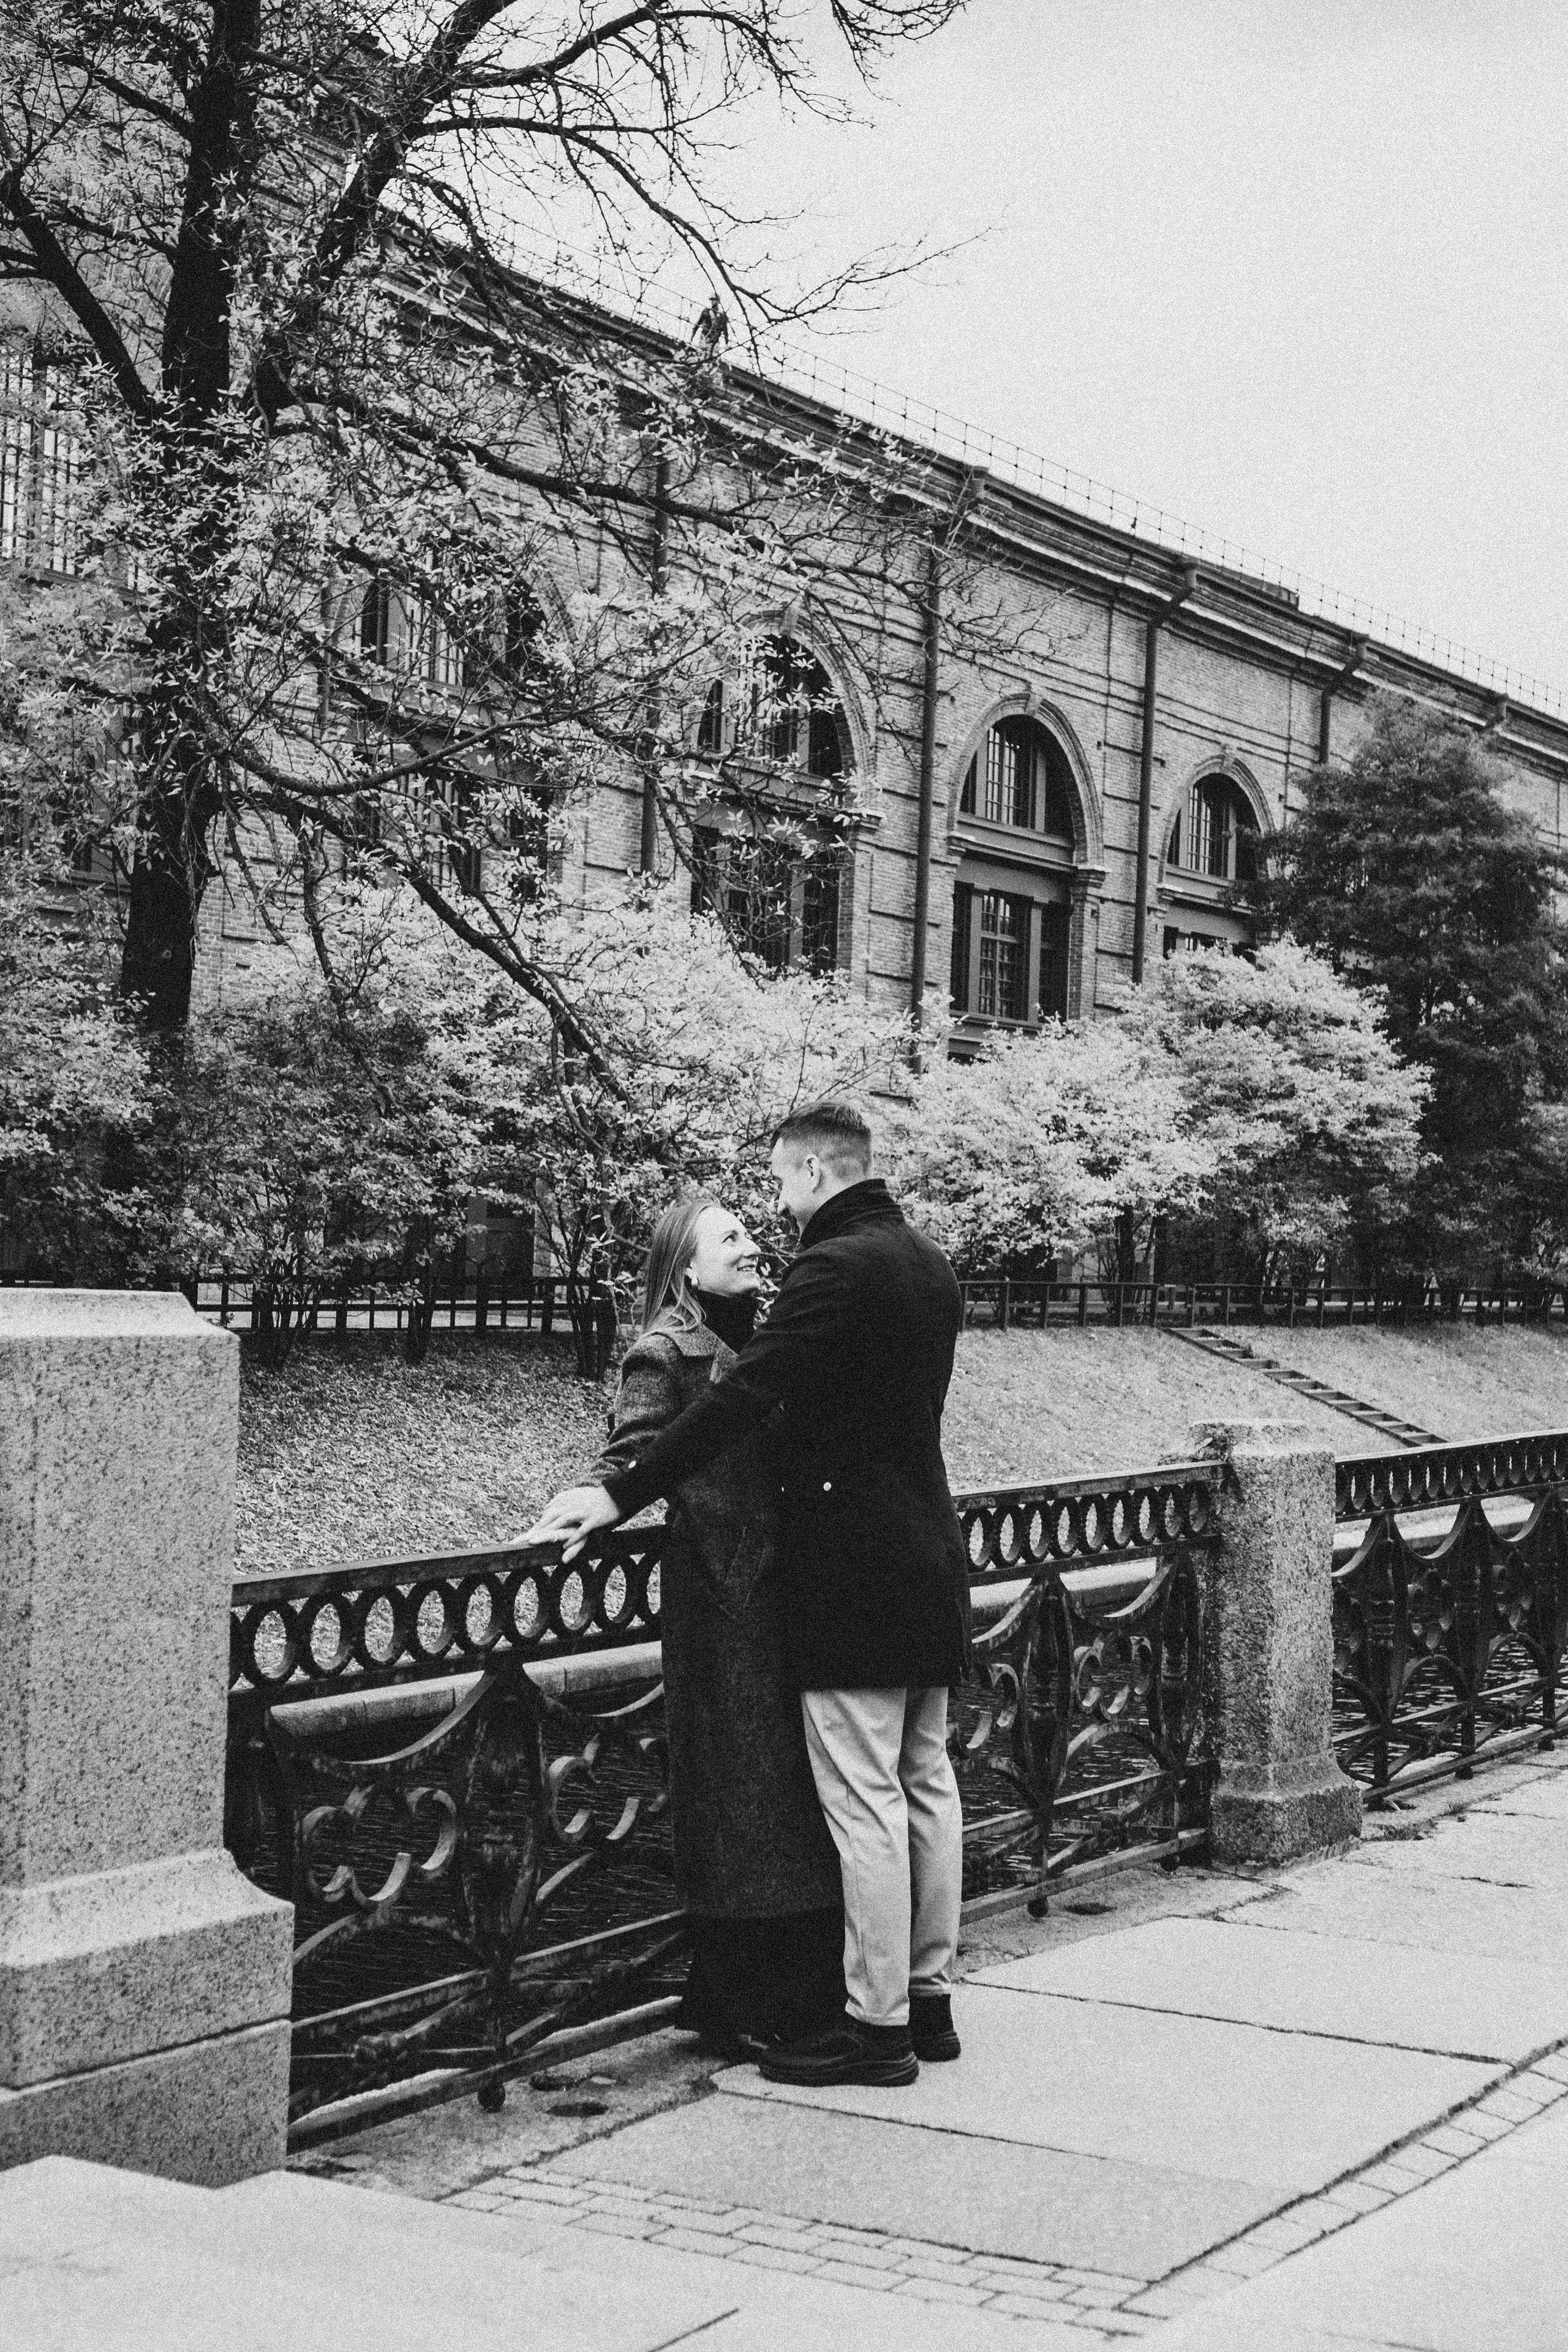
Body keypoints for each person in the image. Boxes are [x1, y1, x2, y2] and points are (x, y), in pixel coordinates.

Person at [530, 1100, 971, 2089]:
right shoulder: (930, 1264)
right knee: (927, 1784)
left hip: (850, 1573)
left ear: (816, 1172)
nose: (776, 1205)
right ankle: (932, 2001)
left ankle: (879, 2027)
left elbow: (745, 1396)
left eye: (778, 1182)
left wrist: (614, 1494)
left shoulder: (833, 1268)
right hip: (930, 1555)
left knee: (864, 1805)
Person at [586, 1193, 845, 2052]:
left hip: (791, 1591)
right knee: (744, 1801)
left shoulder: (768, 1337)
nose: (751, 1244)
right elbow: (633, 1453)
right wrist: (596, 1501)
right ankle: (746, 2007)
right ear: (686, 1266)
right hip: (727, 1602)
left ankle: (786, 1995)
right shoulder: (665, 1351)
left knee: (792, 1800)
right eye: (729, 1236)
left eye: (747, 1230)